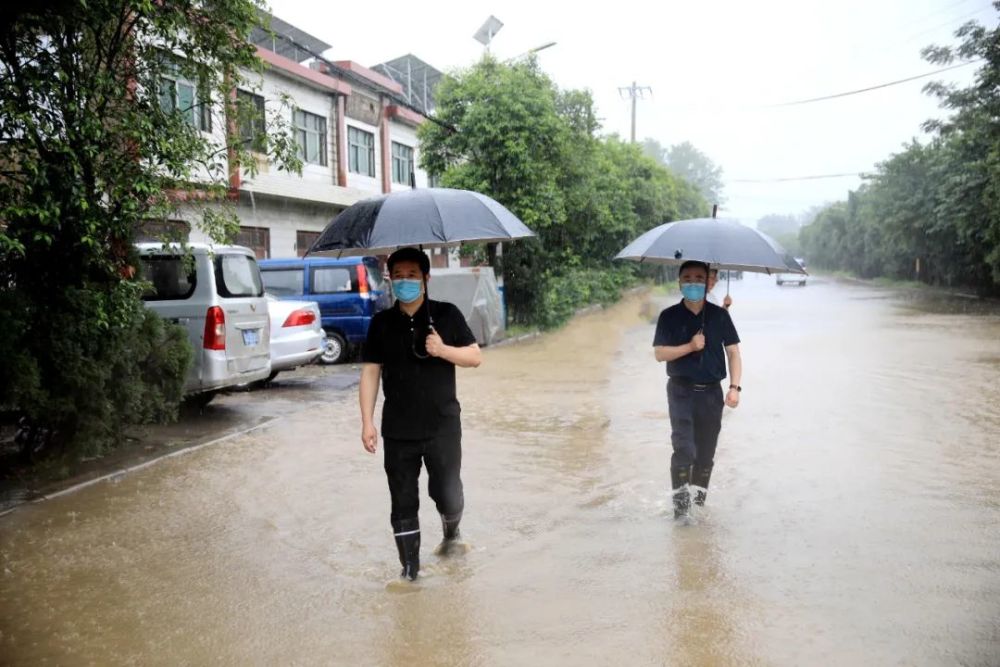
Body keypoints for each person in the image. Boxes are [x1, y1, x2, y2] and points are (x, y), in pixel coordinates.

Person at [359, 247, 482, 581]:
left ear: (426, 278)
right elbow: (371, 372)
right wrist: (367, 421)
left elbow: (474, 357)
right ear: (390, 279)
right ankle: (410, 571)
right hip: (397, 430)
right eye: (398, 275)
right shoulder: (381, 323)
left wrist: (442, 350)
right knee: (402, 501)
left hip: (443, 426)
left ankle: (451, 533)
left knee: (447, 491)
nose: (405, 282)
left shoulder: (447, 315)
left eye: (412, 275)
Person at [653, 261, 742, 520]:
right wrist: (690, 347)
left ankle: (699, 505)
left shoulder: (720, 316)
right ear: (680, 282)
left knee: (705, 453)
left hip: (712, 394)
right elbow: (660, 353)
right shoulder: (668, 316)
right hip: (681, 391)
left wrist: (734, 388)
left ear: (708, 282)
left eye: (699, 278)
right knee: (684, 450)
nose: (693, 283)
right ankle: (681, 513)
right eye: (688, 278)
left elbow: (734, 353)